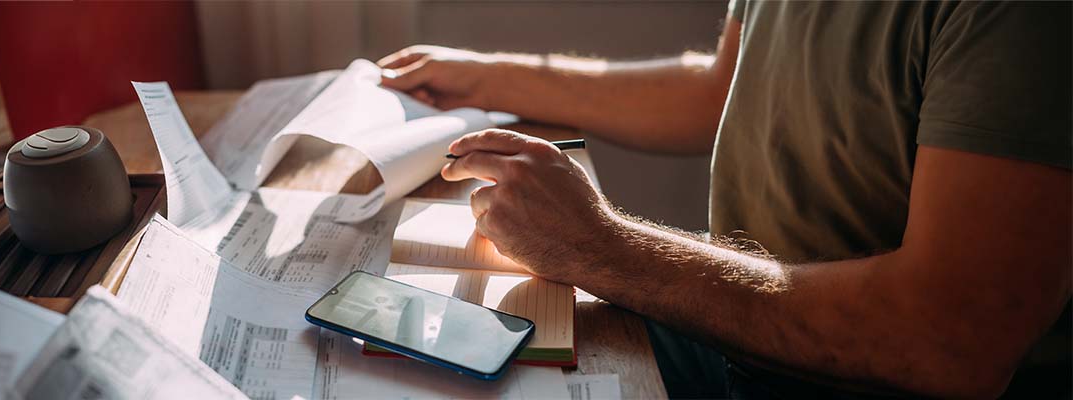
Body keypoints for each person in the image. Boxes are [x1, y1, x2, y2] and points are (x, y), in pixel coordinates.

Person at [377, 1, 1070, 398]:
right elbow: (722, 88)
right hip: (735, 335)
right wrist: (485, 78)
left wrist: (603, 245)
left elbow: (947, 341)